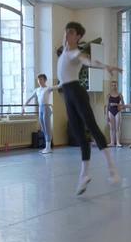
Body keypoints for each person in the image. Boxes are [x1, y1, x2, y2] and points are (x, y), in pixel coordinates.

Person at [56, 22, 121, 195]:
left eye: (71, 33)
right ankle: (84, 174)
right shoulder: (64, 52)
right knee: (79, 134)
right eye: (66, 31)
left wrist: (105, 66)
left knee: (92, 127)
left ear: (77, 37)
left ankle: (112, 170)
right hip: (68, 94)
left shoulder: (75, 53)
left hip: (77, 92)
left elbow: (88, 60)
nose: (66, 35)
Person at [23, 74, 54, 154]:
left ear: (45, 80)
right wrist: (24, 106)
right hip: (40, 108)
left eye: (41, 79)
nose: (39, 81)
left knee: (47, 128)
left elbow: (57, 87)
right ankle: (46, 147)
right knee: (43, 129)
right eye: (38, 79)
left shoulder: (48, 88)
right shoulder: (37, 90)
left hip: (46, 108)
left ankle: (48, 148)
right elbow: (30, 98)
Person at [105, 80, 124, 147]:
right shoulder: (109, 95)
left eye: (115, 85)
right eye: (112, 85)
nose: (114, 86)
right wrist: (106, 116)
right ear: (111, 86)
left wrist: (117, 104)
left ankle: (118, 142)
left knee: (117, 127)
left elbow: (123, 105)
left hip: (117, 111)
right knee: (111, 128)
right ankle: (112, 142)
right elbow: (107, 106)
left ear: (117, 86)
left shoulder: (120, 95)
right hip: (111, 111)